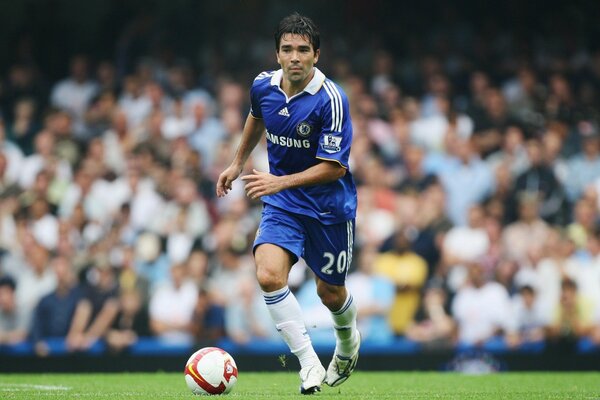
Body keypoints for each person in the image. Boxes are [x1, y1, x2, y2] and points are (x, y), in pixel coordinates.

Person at [216, 13, 359, 394]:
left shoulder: (332, 99)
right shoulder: (263, 86)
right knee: (268, 275)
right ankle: (309, 363)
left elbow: (333, 167)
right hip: (283, 204)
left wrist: (279, 181)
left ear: (316, 54)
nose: (294, 57)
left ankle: (347, 343)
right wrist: (237, 162)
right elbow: (255, 117)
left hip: (329, 208)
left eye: (302, 50)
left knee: (330, 293)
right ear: (277, 54)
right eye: (287, 49)